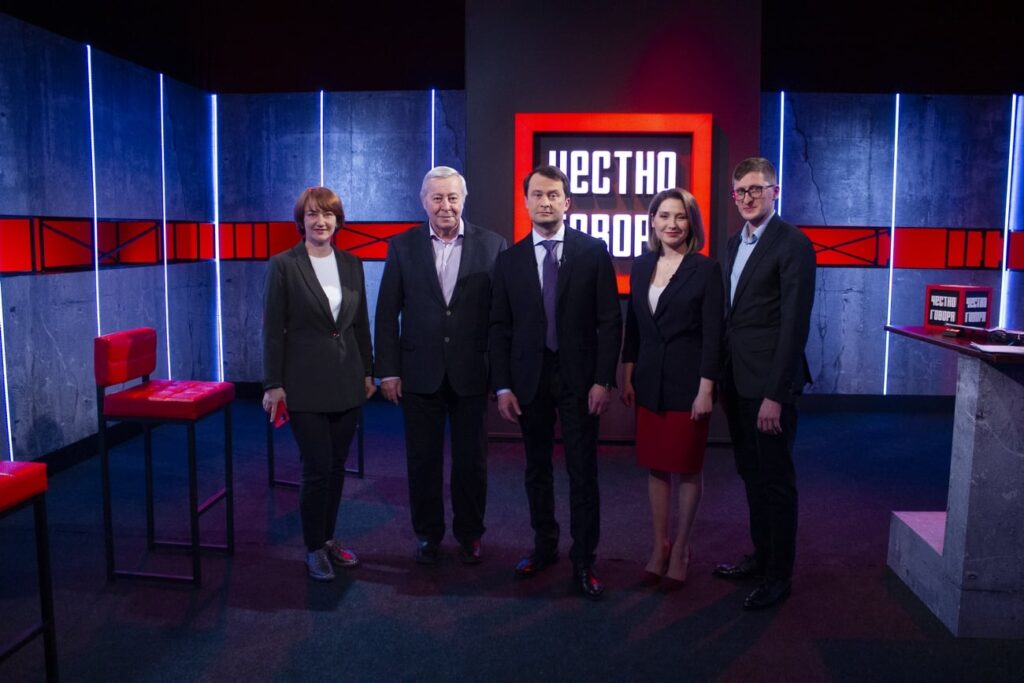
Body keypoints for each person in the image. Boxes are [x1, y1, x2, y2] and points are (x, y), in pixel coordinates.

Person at [490, 164, 622, 600]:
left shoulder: (593, 252)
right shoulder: (509, 260)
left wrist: (603, 380)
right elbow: (499, 327)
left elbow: (609, 321)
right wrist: (503, 386)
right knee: (536, 469)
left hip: (581, 380)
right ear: (526, 201)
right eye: (537, 195)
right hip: (529, 380)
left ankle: (584, 560)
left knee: (582, 471)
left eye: (553, 195)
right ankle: (544, 546)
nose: (545, 202)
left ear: (567, 202)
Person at [375, 166, 506, 565]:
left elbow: (501, 316)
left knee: (472, 461)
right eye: (437, 198)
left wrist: (500, 376)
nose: (445, 205)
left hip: (472, 371)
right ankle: (428, 534)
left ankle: (470, 534)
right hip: (419, 371)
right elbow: (387, 313)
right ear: (424, 202)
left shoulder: (493, 245)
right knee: (422, 460)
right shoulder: (402, 247)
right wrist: (389, 370)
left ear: (464, 200)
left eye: (452, 197)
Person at [713, 158, 816, 610]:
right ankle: (761, 556)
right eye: (741, 191)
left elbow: (794, 324)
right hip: (738, 381)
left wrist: (776, 394)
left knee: (776, 481)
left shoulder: (793, 243)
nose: (748, 197)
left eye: (757, 188)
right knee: (751, 475)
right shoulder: (734, 243)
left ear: (775, 191)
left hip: (770, 387)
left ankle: (779, 576)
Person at [262, 186, 376, 582]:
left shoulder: (351, 264)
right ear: (302, 221)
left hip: (347, 381)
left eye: (327, 214)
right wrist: (273, 383)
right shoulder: (284, 265)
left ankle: (328, 540)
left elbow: (360, 323)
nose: (320, 221)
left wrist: (368, 371)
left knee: (337, 467)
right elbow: (272, 330)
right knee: (317, 467)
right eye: (312, 214)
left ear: (338, 221)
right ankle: (313, 548)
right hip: (303, 384)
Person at [620, 188, 723, 591]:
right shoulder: (642, 264)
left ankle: (681, 549)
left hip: (689, 383)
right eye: (664, 216)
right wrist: (628, 373)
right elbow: (634, 326)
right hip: (649, 381)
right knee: (656, 466)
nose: (672, 224)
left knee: (688, 467)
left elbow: (713, 335)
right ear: (652, 221)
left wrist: (706, 388)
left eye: (680, 217)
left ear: (691, 223)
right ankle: (658, 547)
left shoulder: (705, 269)